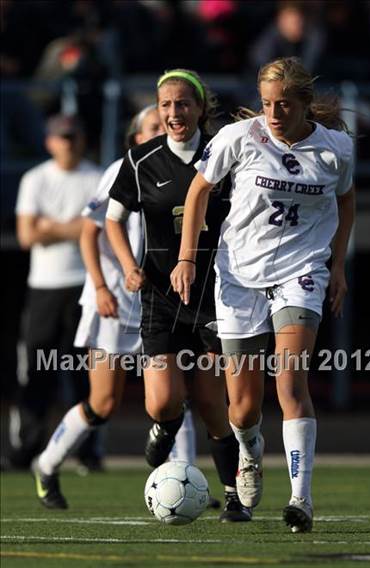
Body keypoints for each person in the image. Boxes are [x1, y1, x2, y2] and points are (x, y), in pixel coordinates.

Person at [170, 57, 355, 533]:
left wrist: (337, 264)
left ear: (304, 105)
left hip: (301, 273)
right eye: (267, 103)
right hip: (238, 276)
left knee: (290, 383)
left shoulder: (336, 149)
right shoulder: (239, 137)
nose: (273, 114)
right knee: (243, 408)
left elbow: (346, 198)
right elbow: (198, 192)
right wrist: (187, 258)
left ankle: (301, 499)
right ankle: (250, 454)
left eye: (284, 105)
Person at [105, 69, 251, 523]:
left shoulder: (222, 154)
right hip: (161, 297)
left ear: (201, 107)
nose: (174, 112)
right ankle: (164, 426)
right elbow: (112, 221)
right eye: (166, 104)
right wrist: (130, 267)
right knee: (161, 401)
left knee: (212, 404)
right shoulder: (140, 160)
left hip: (215, 297)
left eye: (183, 103)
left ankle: (233, 496)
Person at [30, 106, 163, 509]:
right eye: (153, 126)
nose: (165, 129)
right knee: (103, 403)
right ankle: (47, 464)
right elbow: (90, 233)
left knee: (174, 399)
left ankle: (182, 477)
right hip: (116, 304)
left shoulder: (183, 171)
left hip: (159, 303)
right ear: (136, 138)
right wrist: (102, 287)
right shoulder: (120, 171)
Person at [11, 114, 103, 470]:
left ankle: (87, 451)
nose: (68, 142)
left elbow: (97, 228)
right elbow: (27, 235)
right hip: (44, 287)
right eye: (62, 137)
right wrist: (76, 228)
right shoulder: (34, 179)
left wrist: (51, 226)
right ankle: (28, 447)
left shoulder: (96, 177)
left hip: (84, 285)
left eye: (73, 135)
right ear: (50, 141)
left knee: (83, 372)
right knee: (38, 369)